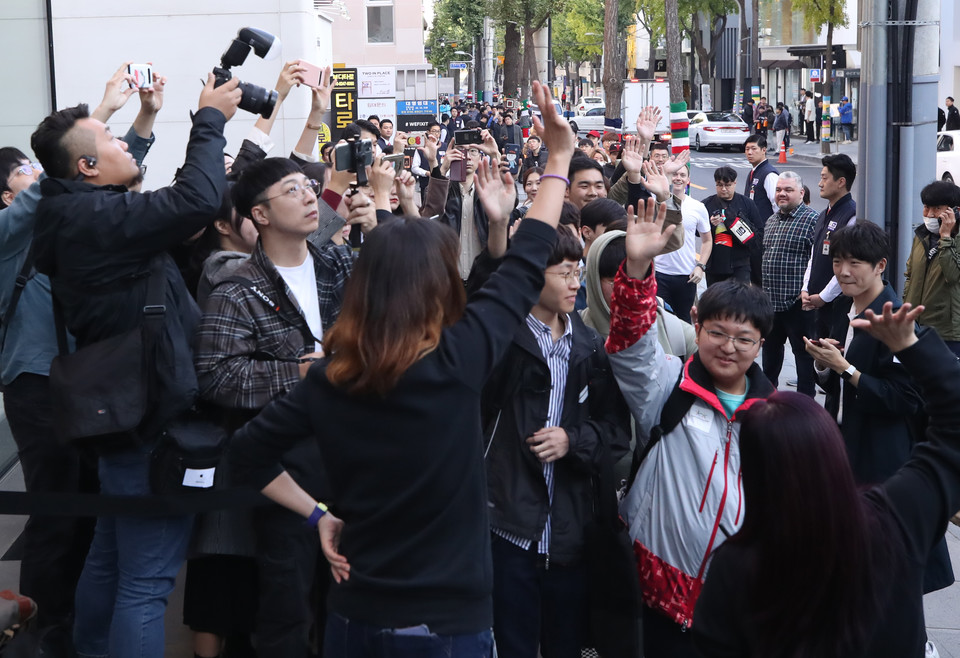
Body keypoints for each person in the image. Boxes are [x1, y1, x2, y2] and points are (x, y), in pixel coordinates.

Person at [225, 80, 574, 656]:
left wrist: (318, 517)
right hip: (451, 623)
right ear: (440, 284)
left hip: (355, 617)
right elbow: (529, 252)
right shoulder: (460, 359)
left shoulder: (327, 379)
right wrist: (556, 159)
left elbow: (243, 456)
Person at [30, 71, 242, 658]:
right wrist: (209, 119)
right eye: (114, 140)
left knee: (110, 557)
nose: (126, 141)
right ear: (87, 170)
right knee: (146, 582)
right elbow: (199, 198)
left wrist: (146, 116)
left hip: (127, 410)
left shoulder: (78, 213)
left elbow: (176, 205)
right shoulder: (93, 220)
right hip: (150, 418)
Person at [692, 303, 960, 658]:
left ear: (753, 472)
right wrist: (912, 343)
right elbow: (953, 431)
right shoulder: (897, 515)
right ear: (835, 452)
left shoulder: (736, 565)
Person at [607, 202, 776, 657]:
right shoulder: (666, 386)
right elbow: (628, 345)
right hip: (654, 599)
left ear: (761, 344)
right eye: (718, 333)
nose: (729, 348)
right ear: (696, 326)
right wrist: (639, 268)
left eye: (744, 340)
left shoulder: (778, 416)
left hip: (737, 606)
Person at [480, 227, 630, 657]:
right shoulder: (500, 342)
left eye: (578, 272)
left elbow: (614, 431)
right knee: (514, 644)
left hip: (568, 534)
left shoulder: (589, 348)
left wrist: (573, 439)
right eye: (564, 272)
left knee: (566, 644)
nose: (574, 283)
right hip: (507, 529)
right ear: (530, 275)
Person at [761, 172, 820, 397]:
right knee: (770, 361)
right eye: (779, 190)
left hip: (798, 305)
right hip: (771, 305)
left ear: (801, 193)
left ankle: (805, 407)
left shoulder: (813, 220)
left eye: (788, 190)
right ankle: (768, 404)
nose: (782, 194)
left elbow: (816, 263)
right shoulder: (771, 220)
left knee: (803, 360)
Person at [801, 154, 858, 339]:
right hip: (816, 302)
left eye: (824, 178)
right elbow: (814, 254)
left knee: (834, 359)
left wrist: (824, 297)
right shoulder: (824, 214)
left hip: (837, 305)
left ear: (841, 182)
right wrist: (806, 288)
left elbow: (848, 265)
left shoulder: (852, 215)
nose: (819, 183)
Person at [903, 180, 960, 358]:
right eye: (926, 207)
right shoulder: (921, 237)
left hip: (948, 333)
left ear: (955, 211)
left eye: (937, 208)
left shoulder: (955, 240)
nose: (929, 214)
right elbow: (910, 275)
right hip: (916, 327)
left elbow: (952, 274)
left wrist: (945, 237)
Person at [653, 166, 711, 323]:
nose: (678, 178)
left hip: (686, 276)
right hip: (659, 274)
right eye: (675, 174)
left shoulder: (698, 207)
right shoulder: (655, 203)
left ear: (688, 180)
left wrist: (700, 266)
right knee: (661, 322)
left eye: (682, 175)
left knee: (684, 322)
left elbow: (707, 240)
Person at [701, 166, 761, 287]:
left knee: (739, 302)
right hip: (714, 265)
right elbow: (697, 233)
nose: (723, 189)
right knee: (716, 303)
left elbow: (759, 233)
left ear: (735, 183)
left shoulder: (746, 204)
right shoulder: (706, 204)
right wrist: (710, 225)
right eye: (719, 185)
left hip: (740, 264)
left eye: (727, 185)